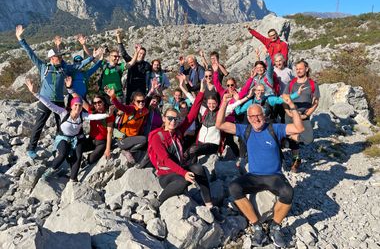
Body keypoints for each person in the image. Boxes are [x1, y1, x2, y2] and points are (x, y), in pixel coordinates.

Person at [215, 93, 305, 247]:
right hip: (254, 176)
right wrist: (224, 102)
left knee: (288, 192)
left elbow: (299, 128)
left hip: (274, 176)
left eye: (258, 115)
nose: (255, 119)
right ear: (248, 118)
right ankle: (257, 226)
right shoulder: (246, 130)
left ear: (264, 115)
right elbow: (220, 124)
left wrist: (291, 105)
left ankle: (275, 227)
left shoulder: (274, 128)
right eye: (252, 116)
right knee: (234, 187)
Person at [147, 85, 224, 222]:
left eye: (175, 119)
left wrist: (200, 92)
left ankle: (210, 206)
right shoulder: (157, 137)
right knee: (183, 181)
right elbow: (165, 160)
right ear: (164, 118)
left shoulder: (177, 131)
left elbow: (191, 115)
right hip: (166, 174)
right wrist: (184, 173)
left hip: (180, 167)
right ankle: (159, 200)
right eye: (170, 118)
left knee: (199, 169)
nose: (173, 121)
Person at [25, 79, 112, 182]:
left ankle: (73, 179)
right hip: (63, 138)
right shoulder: (63, 113)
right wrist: (35, 93)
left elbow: (94, 117)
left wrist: (107, 114)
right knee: (63, 154)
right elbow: (48, 104)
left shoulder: (82, 115)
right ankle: (50, 171)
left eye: (80, 106)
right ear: (71, 106)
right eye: (76, 105)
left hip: (77, 139)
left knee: (78, 156)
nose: (78, 107)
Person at [16, 25, 80, 160]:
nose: (61, 58)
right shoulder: (43, 67)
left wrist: (59, 46)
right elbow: (31, 54)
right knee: (39, 125)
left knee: (61, 126)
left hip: (59, 101)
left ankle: (61, 148)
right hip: (45, 101)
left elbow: (76, 65)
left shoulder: (62, 69)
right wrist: (21, 39)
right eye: (58, 57)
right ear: (52, 58)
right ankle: (31, 149)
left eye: (60, 57)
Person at [283, 59, 320, 172]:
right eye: (297, 69)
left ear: (306, 69)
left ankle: (286, 139)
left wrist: (307, 114)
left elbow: (316, 102)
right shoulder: (291, 83)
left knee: (308, 139)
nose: (298, 71)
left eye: (300, 68)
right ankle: (296, 159)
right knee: (293, 140)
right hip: (290, 114)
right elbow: (284, 98)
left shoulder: (313, 84)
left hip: (304, 115)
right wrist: (287, 111)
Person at [105, 87, 149, 167]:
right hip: (123, 139)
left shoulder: (144, 111)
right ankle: (127, 151)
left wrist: (152, 90)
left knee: (147, 142)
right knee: (144, 139)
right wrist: (113, 97)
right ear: (134, 102)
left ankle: (130, 150)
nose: (141, 103)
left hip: (133, 138)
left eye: (143, 101)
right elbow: (121, 106)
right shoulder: (131, 109)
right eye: (138, 101)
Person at [117, 29, 151, 103]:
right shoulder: (131, 61)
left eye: (143, 54)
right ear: (137, 53)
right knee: (130, 106)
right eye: (140, 53)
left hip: (141, 89)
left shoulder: (146, 65)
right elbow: (123, 53)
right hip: (131, 89)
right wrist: (118, 37)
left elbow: (155, 69)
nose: (142, 55)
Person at [273, 53, 294, 122]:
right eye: (276, 61)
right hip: (275, 97)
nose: (278, 63)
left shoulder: (289, 71)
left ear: (283, 61)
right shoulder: (273, 71)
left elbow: (293, 83)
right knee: (274, 115)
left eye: (280, 61)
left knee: (284, 116)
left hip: (285, 97)